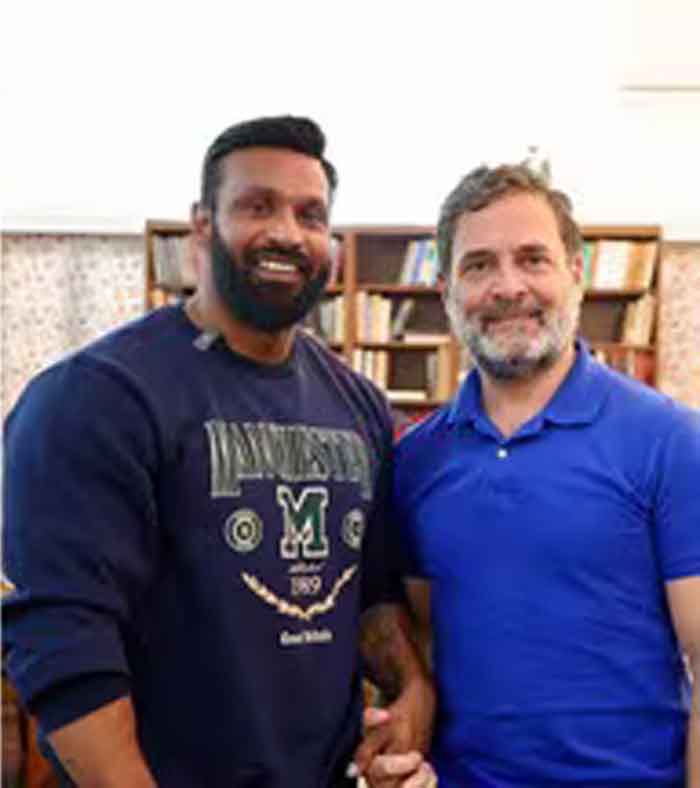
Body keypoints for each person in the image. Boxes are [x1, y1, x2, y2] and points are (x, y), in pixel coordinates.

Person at [3, 115, 435, 787]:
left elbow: (371, 592)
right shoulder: (94, 398)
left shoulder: (358, 405)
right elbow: (64, 641)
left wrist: (412, 689)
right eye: (258, 206)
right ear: (202, 227)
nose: (288, 232)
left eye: (311, 215)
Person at [395, 164, 700, 786]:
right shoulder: (414, 460)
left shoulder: (670, 441)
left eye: (533, 259)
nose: (508, 287)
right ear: (446, 291)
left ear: (575, 275)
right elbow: (422, 646)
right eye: (479, 265)